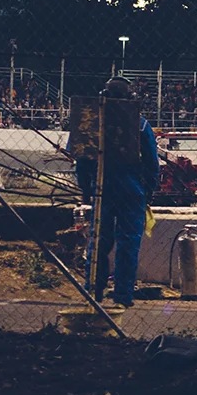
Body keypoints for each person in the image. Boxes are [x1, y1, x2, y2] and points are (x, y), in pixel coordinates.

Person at [74, 78, 161, 309]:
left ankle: (93, 289)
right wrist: (149, 189)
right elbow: (153, 162)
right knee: (128, 243)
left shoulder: (93, 123)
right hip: (132, 189)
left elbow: (81, 160)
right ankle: (122, 295)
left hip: (102, 187)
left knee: (99, 240)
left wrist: (85, 189)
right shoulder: (140, 124)